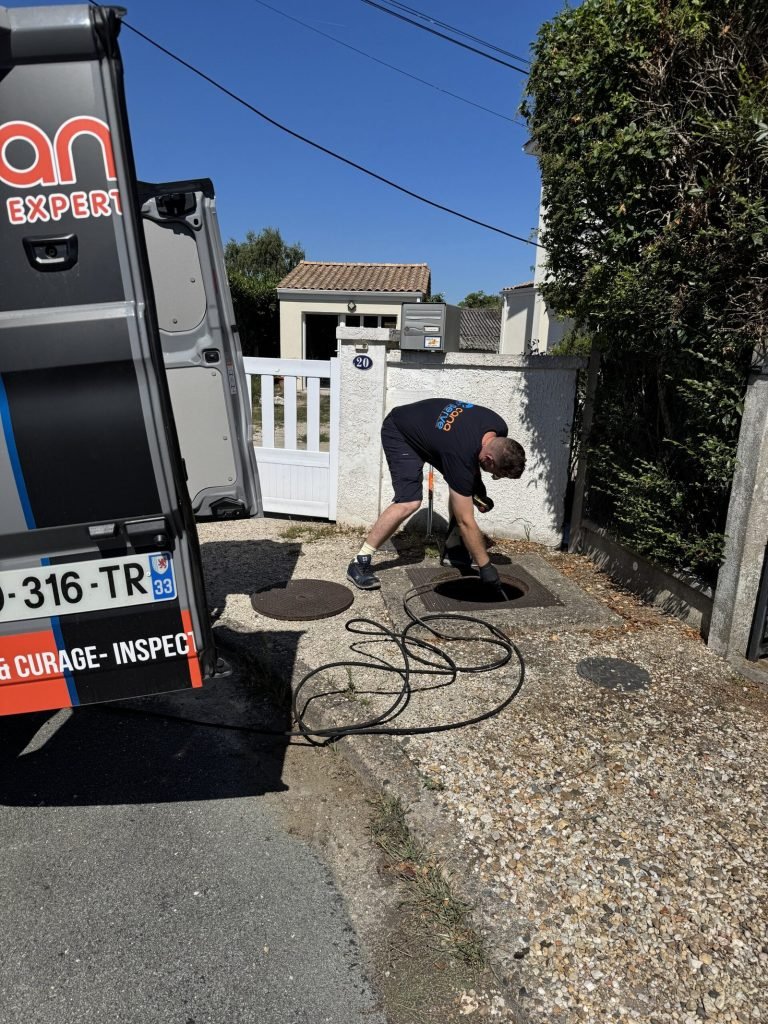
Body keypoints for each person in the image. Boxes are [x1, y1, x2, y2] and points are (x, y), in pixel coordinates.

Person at [346, 398, 526, 590]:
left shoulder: (498, 428)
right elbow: (466, 520)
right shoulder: (461, 452)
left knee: (462, 489)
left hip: (434, 434)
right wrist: (486, 566)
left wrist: (478, 491)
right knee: (409, 502)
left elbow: (470, 469)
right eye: (495, 474)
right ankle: (359, 561)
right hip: (401, 431)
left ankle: (454, 548)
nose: (492, 476)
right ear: (490, 459)